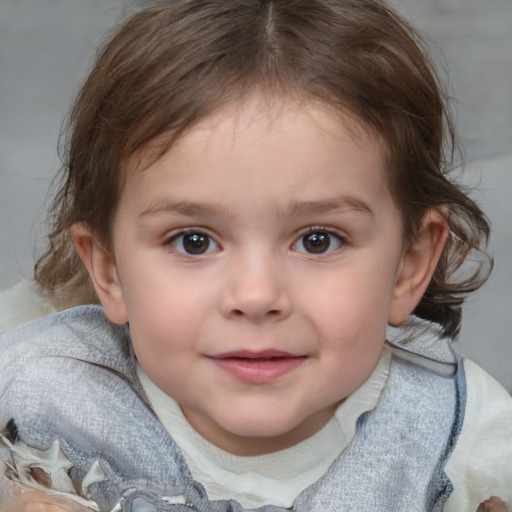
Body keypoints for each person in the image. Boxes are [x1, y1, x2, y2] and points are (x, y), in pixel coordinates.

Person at [0, 0, 510, 510]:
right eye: (193, 241)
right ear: (109, 270)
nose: (257, 295)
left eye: (318, 240)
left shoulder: (468, 441)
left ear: (409, 264)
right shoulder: (40, 391)